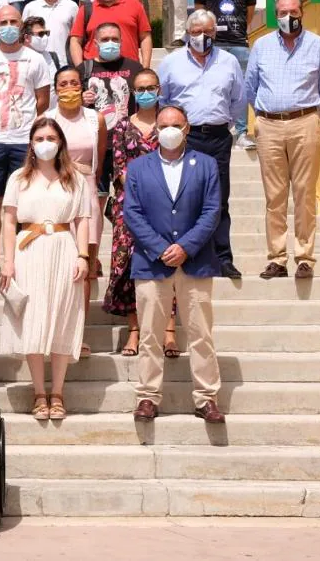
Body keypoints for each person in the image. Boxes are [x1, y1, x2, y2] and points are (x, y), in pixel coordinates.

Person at [123, 106, 225, 423]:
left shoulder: (206, 165)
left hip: (195, 261)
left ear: (187, 128)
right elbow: (132, 213)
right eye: (163, 124)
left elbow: (212, 211)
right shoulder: (139, 168)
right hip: (152, 263)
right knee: (151, 334)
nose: (169, 130)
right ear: (156, 129)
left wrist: (186, 246)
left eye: (175, 125)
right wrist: (160, 247)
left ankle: (206, 398)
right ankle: (148, 397)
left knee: (200, 333)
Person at [0, 117, 90, 420]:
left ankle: (58, 392)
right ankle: (39, 393)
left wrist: (83, 256)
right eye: (39, 138)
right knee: (34, 321)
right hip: (29, 248)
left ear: (60, 142)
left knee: (63, 317)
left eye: (51, 137)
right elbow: (9, 221)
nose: (45, 143)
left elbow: (82, 219)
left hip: (64, 246)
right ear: (31, 144)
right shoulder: (18, 178)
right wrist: (7, 262)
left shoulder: (74, 178)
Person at [246, 0, 320, 280]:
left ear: (302, 12)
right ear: (276, 15)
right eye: (282, 12)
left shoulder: (318, 45)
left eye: (293, 11)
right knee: (274, 197)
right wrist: (263, 116)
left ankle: (305, 258)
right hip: (270, 125)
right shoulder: (261, 46)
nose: (288, 16)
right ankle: (276, 258)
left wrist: (309, 116)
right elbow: (251, 87)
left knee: (304, 192)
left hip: (305, 122)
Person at [159, 10, 245, 279]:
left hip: (218, 137)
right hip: (186, 137)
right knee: (185, 198)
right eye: (196, 32)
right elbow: (163, 99)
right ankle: (188, 254)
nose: (202, 37)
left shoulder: (229, 62)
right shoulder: (171, 62)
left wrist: (223, 123)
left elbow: (238, 100)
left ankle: (223, 258)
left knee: (219, 200)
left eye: (207, 32)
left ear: (215, 33)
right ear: (187, 33)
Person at [104, 69, 178, 358]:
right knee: (129, 266)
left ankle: (169, 330)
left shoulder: (170, 125)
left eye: (150, 87)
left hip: (168, 205)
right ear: (133, 93)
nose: (145, 92)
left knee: (167, 261)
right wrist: (142, 194)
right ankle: (134, 330)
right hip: (130, 206)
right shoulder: (123, 126)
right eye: (140, 88)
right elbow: (119, 168)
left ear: (159, 89)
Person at [48, 66, 106, 355]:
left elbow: (100, 158)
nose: (68, 87)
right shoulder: (46, 120)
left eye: (73, 82)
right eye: (63, 83)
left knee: (83, 267)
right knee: (56, 265)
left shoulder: (96, 119)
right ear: (55, 88)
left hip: (86, 191)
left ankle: (78, 334)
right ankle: (56, 330)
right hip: (53, 192)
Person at [0, 6, 51, 197]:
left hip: (24, 140)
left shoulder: (36, 60)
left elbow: (43, 101)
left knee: (26, 196)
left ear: (21, 26)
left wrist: (25, 121)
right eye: (3, 22)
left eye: (13, 22)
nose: (9, 26)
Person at [195, 0, 257, 149]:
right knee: (213, 86)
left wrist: (236, 29)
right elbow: (199, 13)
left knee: (241, 89)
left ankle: (241, 132)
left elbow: (248, 15)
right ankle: (218, 128)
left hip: (239, 43)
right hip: (214, 44)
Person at [69, 0, 154, 68]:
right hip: (95, 72)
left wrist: (145, 68)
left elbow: (145, 37)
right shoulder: (86, 10)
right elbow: (75, 41)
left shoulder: (134, 5)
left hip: (129, 69)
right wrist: (81, 69)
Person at [22, 0, 79, 73]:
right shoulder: (30, 8)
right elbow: (23, 39)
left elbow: (76, 38)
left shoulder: (72, 7)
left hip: (64, 65)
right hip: (35, 65)